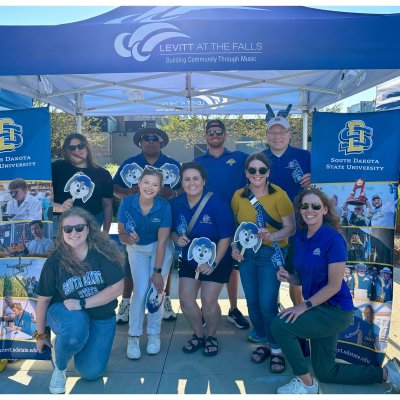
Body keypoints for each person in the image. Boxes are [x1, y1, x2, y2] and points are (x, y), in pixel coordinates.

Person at [271, 187, 400, 394]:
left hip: (335, 311)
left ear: (324, 209)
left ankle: (306, 384)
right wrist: (290, 277)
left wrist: (304, 306)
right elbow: (304, 276)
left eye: (315, 206)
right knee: (326, 372)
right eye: (304, 206)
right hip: (318, 308)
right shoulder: (300, 238)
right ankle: (387, 374)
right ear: (300, 210)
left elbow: (334, 285)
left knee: (280, 326)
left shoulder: (333, 239)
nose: (309, 210)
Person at [35, 207, 124, 394]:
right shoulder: (55, 261)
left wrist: (83, 303)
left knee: (91, 372)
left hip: (101, 316)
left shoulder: (101, 253)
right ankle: (59, 366)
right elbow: (42, 301)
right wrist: (41, 336)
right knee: (76, 328)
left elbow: (118, 287)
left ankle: (72, 343)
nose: (73, 233)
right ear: (61, 233)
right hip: (64, 312)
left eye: (79, 228)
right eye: (67, 229)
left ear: (89, 228)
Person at [231, 152, 295, 372]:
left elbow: (291, 228)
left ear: (268, 172)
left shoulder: (280, 195)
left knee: (267, 304)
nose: (257, 174)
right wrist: (234, 247)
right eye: (252, 170)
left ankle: (276, 349)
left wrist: (271, 236)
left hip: (271, 253)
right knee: (252, 302)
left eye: (261, 170)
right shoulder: (238, 196)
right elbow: (235, 228)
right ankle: (264, 341)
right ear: (246, 173)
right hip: (247, 254)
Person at [113, 127, 181, 324]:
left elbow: (185, 187)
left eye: (155, 138)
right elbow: (114, 188)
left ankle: (164, 299)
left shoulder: (172, 164)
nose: (151, 141)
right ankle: (125, 303)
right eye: (146, 138)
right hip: (136, 221)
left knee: (164, 264)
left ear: (161, 142)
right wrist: (130, 191)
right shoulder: (130, 164)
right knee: (131, 266)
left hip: (164, 218)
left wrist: (173, 194)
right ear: (140, 142)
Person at [171, 162, 235, 356]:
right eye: (187, 179)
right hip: (190, 260)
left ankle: (211, 336)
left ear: (204, 181)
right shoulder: (177, 204)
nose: (192, 183)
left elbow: (226, 237)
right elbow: (173, 231)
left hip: (217, 260)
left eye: (196, 178)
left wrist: (213, 263)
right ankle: (199, 335)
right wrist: (177, 239)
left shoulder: (217, 203)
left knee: (208, 301)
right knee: (186, 300)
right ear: (181, 182)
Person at [194, 119, 249, 330]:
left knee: (231, 266)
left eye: (218, 132)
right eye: (211, 132)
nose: (215, 135)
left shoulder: (240, 158)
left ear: (225, 135)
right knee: (202, 261)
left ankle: (233, 309)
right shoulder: (199, 161)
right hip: (205, 222)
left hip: (234, 219)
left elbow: (260, 169)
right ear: (206, 136)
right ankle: (205, 308)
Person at [117, 166, 173, 360]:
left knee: (156, 290)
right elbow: (122, 234)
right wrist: (128, 240)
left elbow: (163, 241)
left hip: (159, 249)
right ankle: (134, 336)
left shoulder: (164, 206)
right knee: (140, 291)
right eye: (146, 182)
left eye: (155, 184)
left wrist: (157, 272)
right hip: (137, 250)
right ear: (139, 183)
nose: (150, 187)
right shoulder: (126, 203)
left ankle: (154, 334)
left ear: (160, 188)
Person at [262, 113, 311, 308]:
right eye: (273, 132)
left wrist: (313, 180)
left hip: (299, 225)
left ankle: (299, 315)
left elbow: (320, 188)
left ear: (290, 134)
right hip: (269, 226)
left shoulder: (305, 156)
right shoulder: (259, 158)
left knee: (295, 274)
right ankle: (271, 317)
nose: (277, 136)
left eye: (281, 132)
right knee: (270, 274)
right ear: (267, 135)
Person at [52, 133, 114, 233]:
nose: (77, 150)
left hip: (92, 224)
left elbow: (107, 204)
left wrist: (105, 233)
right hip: (61, 224)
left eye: (80, 146)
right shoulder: (56, 168)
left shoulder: (103, 174)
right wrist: (60, 207)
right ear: (67, 151)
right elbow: (42, 197)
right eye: (72, 148)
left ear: (87, 147)